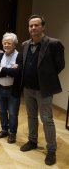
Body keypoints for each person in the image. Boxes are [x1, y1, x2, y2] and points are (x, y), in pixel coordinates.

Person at [20, 15, 65, 166]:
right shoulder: (25, 44)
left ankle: (51, 149)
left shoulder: (53, 44)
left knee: (47, 119)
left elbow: (60, 64)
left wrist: (47, 77)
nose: (33, 28)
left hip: (43, 90)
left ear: (43, 27)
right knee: (31, 117)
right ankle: (32, 141)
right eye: (31, 26)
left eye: (36, 25)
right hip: (27, 88)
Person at [0, 32, 23, 143]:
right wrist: (9, 70)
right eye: (4, 43)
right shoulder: (0, 56)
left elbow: (18, 73)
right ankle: (4, 130)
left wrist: (3, 69)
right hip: (0, 89)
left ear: (14, 44)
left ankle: (12, 133)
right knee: (2, 111)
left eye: (9, 43)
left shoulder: (19, 56)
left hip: (12, 90)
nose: (6, 45)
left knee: (13, 114)